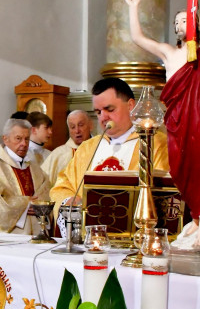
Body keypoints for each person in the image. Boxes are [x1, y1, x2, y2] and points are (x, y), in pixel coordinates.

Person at [123, 0, 200, 246]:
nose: (178, 25)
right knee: (180, 170)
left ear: (195, 24)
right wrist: (133, 6)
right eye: (176, 23)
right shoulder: (169, 53)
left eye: (184, 20)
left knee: (199, 168)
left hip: (199, 122)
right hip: (177, 122)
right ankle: (197, 218)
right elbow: (137, 37)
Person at [49, 78, 169, 219]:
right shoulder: (88, 148)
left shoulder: (155, 143)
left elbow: (163, 193)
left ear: (131, 106)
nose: (103, 117)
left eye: (110, 109)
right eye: (98, 112)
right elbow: (63, 185)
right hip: (88, 234)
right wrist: (69, 200)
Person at [0, 118, 51, 234]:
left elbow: (46, 191)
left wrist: (39, 205)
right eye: (18, 139)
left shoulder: (33, 167)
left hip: (36, 231)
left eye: (27, 139)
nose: (24, 144)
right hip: (10, 235)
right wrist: (25, 204)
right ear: (5, 139)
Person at [42, 110, 93, 185]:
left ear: (91, 125)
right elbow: (42, 184)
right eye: (72, 127)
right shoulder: (59, 154)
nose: (77, 130)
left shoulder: (101, 149)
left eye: (81, 125)